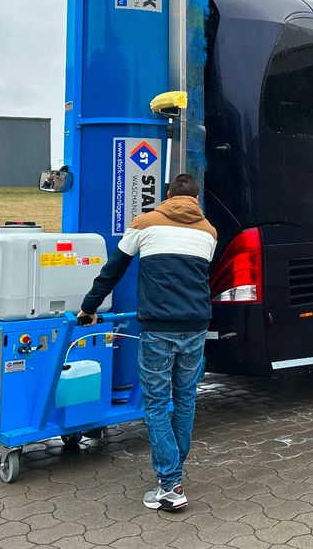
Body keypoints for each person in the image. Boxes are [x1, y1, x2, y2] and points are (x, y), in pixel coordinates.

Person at [78, 173, 217, 511]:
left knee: (156, 405)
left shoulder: (145, 222)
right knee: (185, 400)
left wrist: (88, 308)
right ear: (196, 200)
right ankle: (174, 474)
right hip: (197, 325)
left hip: (159, 327)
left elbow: (114, 269)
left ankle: (170, 486)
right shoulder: (209, 231)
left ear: (167, 196)